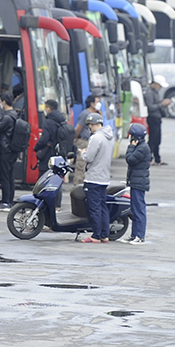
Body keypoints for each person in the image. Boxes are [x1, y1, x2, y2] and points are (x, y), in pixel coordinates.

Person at [79, 112, 114, 243]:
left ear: (93, 124)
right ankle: (105, 235)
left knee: (94, 207)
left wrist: (82, 153)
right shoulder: (110, 137)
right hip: (104, 177)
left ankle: (96, 235)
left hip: (93, 177)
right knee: (102, 207)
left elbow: (89, 157)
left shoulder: (96, 138)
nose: (89, 128)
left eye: (89, 126)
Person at [124, 123, 151, 245]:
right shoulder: (140, 146)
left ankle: (140, 236)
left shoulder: (142, 148)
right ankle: (134, 234)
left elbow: (130, 159)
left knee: (139, 209)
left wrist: (130, 147)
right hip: (136, 181)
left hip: (138, 183)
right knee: (135, 210)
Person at [73, 94, 103, 186]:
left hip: (93, 142)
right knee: (81, 166)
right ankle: (78, 186)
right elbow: (78, 128)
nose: (99, 103)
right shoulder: (85, 114)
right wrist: (75, 138)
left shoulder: (97, 113)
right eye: (97, 101)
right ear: (91, 103)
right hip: (84, 142)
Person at [34, 99, 69, 170]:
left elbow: (44, 139)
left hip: (48, 153)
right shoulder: (62, 120)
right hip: (58, 152)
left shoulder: (48, 122)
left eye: (45, 108)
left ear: (49, 109)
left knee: (44, 174)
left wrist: (36, 147)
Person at [145, 76, 171, 165]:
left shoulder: (155, 92)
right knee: (152, 139)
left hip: (157, 118)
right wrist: (161, 104)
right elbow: (151, 107)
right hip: (152, 118)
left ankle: (157, 158)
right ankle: (148, 158)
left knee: (157, 140)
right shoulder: (149, 93)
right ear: (155, 84)